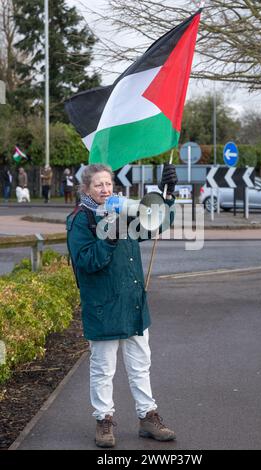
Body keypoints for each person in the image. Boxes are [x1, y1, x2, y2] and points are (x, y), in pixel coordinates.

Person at [66, 163, 178, 448]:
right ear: (86, 189)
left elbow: (155, 224)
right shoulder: (81, 219)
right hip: (102, 306)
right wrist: (110, 237)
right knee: (103, 368)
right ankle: (104, 421)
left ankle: (148, 417)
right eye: (98, 185)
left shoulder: (123, 212)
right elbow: (87, 261)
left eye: (108, 184)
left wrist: (168, 197)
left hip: (132, 305)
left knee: (141, 365)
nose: (105, 190)